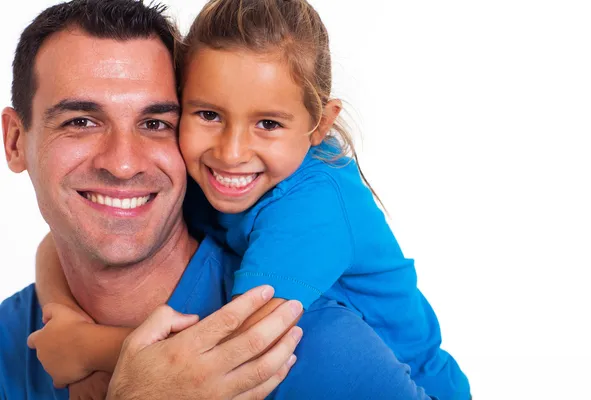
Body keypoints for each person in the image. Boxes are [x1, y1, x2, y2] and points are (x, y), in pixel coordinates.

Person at [30, 1, 470, 399]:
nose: (231, 152)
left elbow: (241, 347)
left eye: (268, 124)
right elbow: (56, 241)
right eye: (208, 115)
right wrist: (61, 315)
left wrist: (87, 348)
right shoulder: (212, 180)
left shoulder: (316, 205)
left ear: (319, 125)